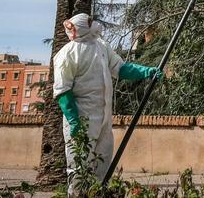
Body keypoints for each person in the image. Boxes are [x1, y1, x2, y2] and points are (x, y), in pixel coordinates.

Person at [53, 13, 160, 192]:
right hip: (82, 119)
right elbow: (63, 90)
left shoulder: (101, 46)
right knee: (78, 169)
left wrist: (146, 72)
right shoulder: (67, 53)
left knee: (102, 166)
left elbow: (121, 68)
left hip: (103, 120)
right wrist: (73, 120)